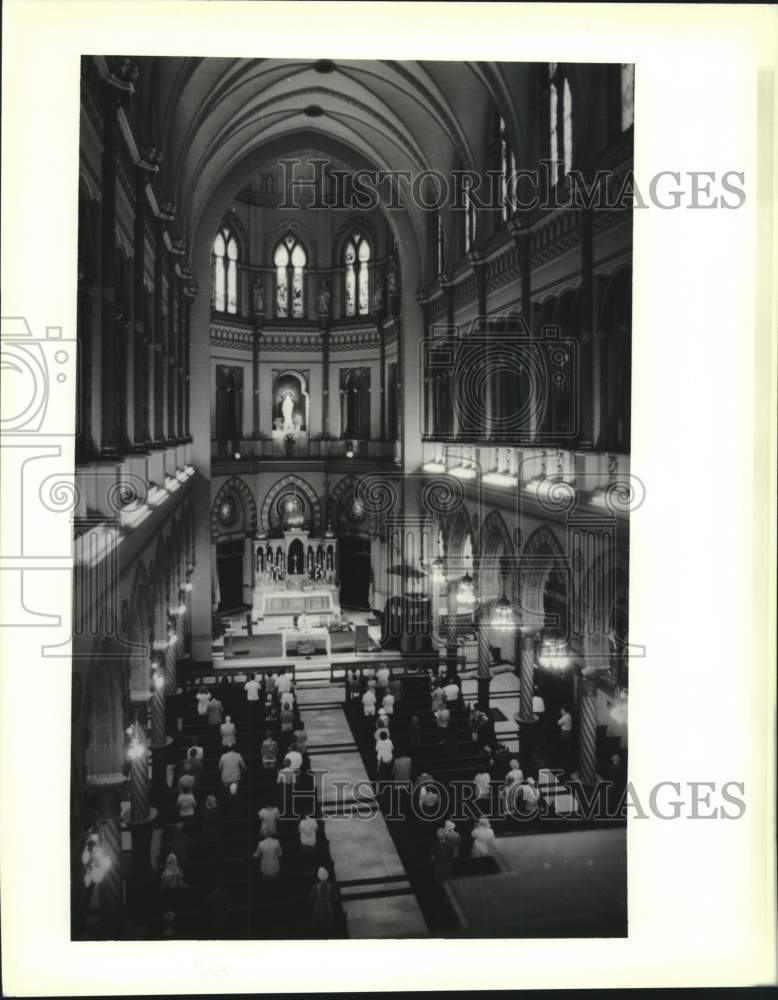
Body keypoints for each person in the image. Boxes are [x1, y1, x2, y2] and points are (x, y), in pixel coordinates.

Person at [310, 867, 338, 933]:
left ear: (318, 876)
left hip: (318, 906)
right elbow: (335, 897)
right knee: (328, 921)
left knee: (318, 920)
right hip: (328, 905)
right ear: (327, 876)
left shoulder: (315, 886)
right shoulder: (331, 886)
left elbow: (312, 898)